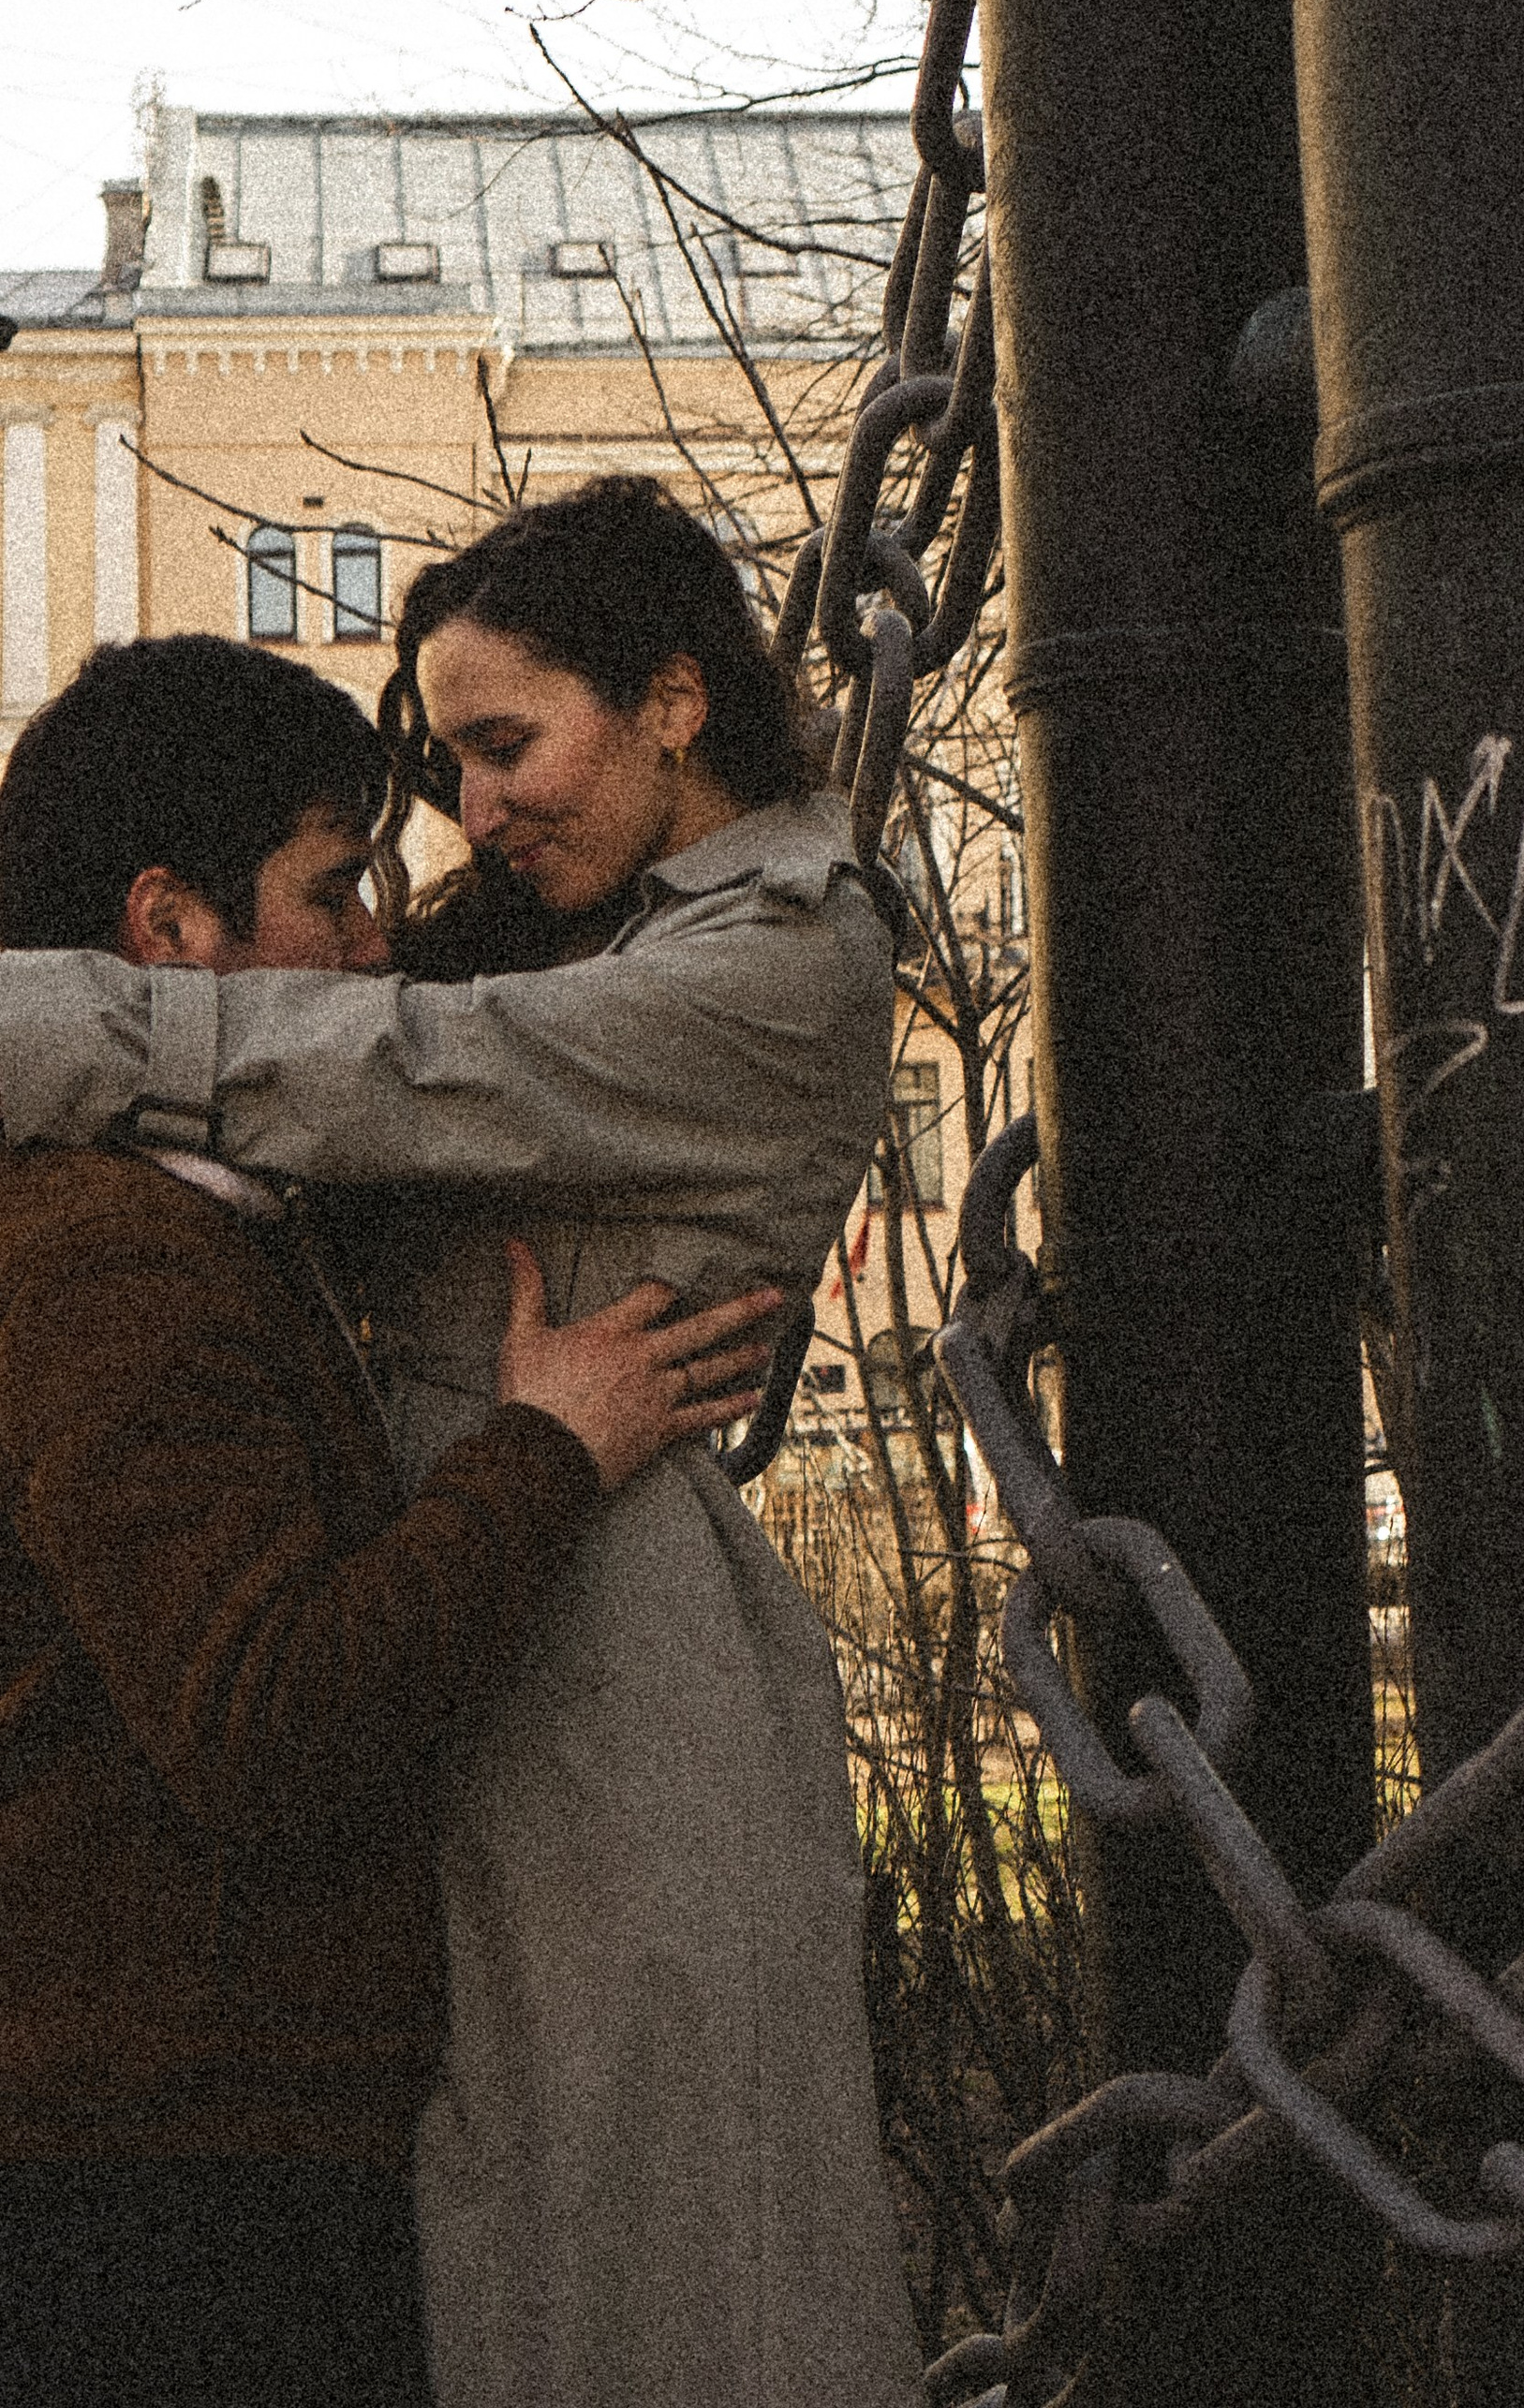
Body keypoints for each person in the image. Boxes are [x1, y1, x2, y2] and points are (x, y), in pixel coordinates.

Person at [0, 482, 925, 2408]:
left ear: (672, 703)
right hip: (470, 1624)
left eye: (509, 745)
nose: (471, 816)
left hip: (594, 1658)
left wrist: (52, 1017)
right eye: (445, 770)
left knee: (647, 2262)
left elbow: (400, 1077)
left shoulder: (767, 965)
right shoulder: (132, 1245)